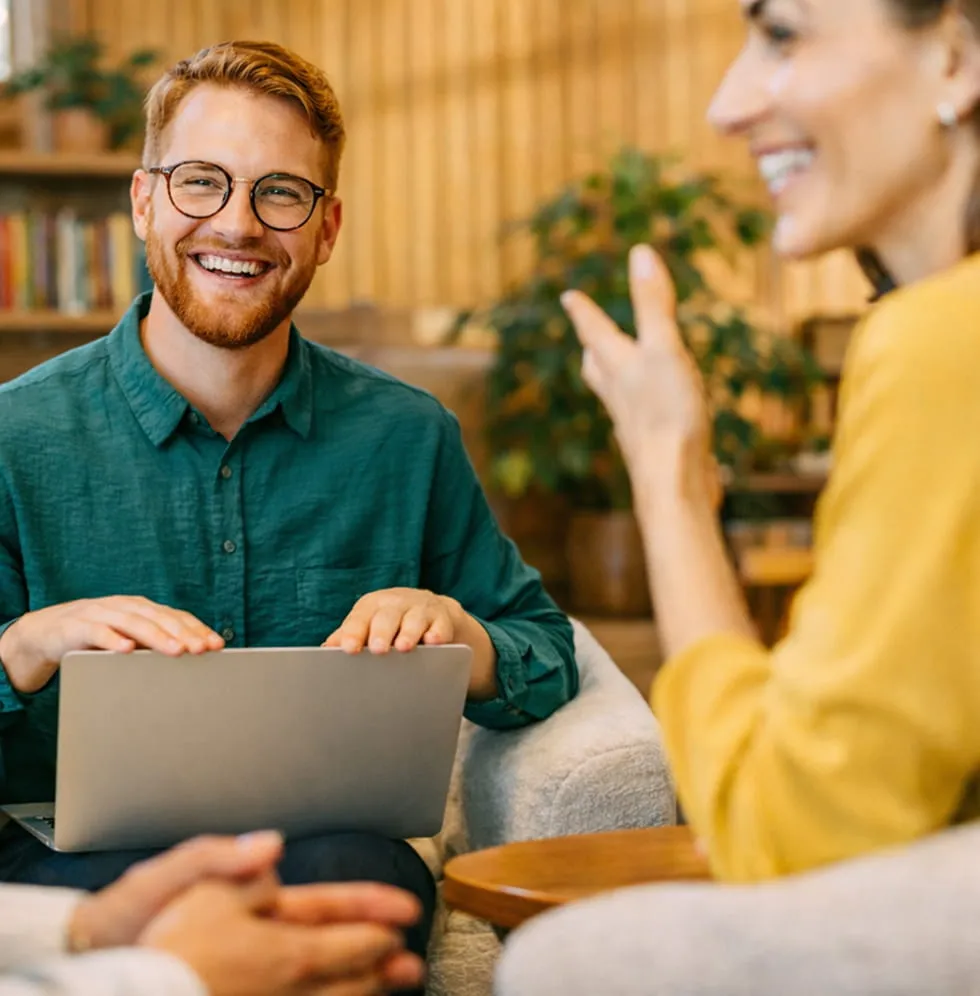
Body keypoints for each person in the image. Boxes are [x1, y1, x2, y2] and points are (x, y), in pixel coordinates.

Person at [0, 38, 578, 976]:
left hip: (329, 849)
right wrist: (22, 648)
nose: (237, 224)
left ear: (326, 226)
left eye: (280, 192)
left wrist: (462, 633)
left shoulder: (407, 437)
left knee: (356, 891)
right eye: (201, 182)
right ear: (144, 200)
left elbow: (546, 650)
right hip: (74, 862)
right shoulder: (13, 438)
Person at [495, 0, 980, 990]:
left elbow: (788, 835)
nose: (724, 103)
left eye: (783, 34)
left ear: (955, 57)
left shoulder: (941, 342)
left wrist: (667, 473)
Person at [1, 830, 426, 996]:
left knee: (351, 868)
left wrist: (88, 926)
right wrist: (175, 979)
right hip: (65, 846)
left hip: (324, 834)